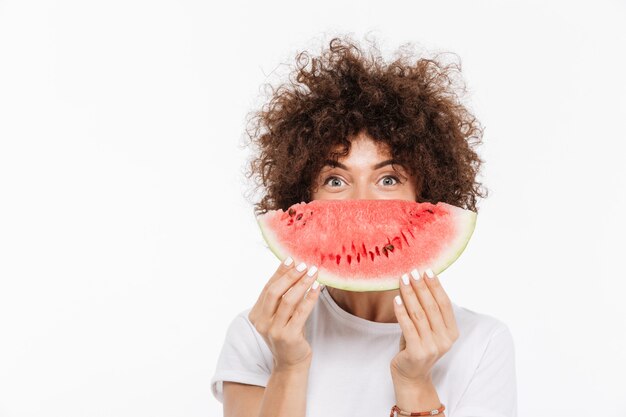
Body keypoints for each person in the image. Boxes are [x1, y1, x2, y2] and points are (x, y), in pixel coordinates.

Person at [210, 35, 517, 417]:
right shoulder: (260, 335)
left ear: (427, 191)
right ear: (301, 196)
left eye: (388, 179)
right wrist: (289, 366)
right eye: (335, 180)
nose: (361, 204)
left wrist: (415, 382)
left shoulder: (481, 342)